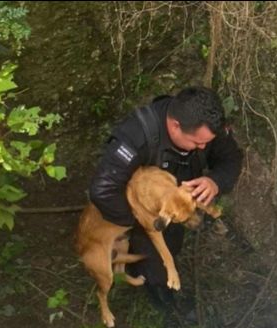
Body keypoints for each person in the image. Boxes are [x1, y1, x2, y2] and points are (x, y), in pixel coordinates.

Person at [89, 86, 243, 310]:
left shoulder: (205, 129)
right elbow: (102, 190)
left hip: (177, 203)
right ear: (175, 126)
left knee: (173, 243)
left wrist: (215, 181)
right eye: (197, 143)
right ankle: (161, 295)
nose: (203, 147)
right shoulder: (137, 136)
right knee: (156, 268)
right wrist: (137, 220)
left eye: (206, 143)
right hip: (143, 211)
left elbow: (231, 158)